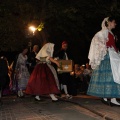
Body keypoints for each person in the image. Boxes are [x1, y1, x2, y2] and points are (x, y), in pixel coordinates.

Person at [87, 17, 120, 106]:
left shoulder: (111, 33)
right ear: (109, 22)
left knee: (114, 76)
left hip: (113, 55)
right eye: (114, 22)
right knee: (109, 75)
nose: (115, 24)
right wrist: (104, 47)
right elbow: (96, 40)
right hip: (108, 56)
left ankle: (113, 99)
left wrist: (117, 51)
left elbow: (113, 45)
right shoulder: (103, 32)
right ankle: (105, 97)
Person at [26, 30, 60, 102]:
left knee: (42, 82)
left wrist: (53, 60)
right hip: (43, 66)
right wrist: (56, 62)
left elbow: (46, 58)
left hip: (42, 66)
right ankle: (51, 96)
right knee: (48, 81)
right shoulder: (46, 47)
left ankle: (38, 96)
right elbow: (48, 57)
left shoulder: (45, 48)